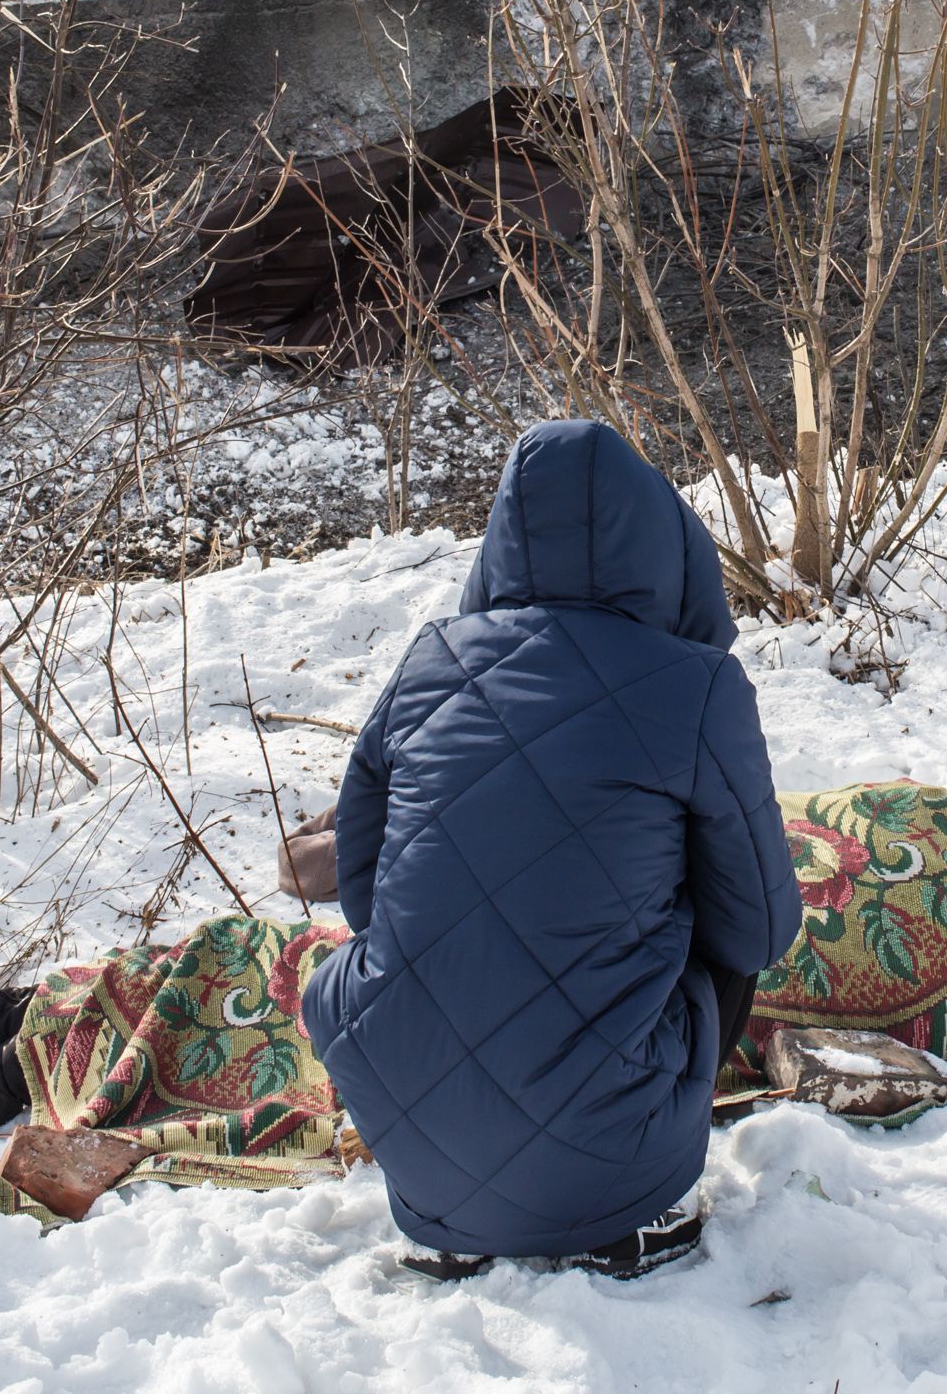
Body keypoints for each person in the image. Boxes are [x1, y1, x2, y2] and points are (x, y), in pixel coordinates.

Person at [302, 418, 800, 1280]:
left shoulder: (427, 667)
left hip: (416, 1154)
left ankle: (467, 1207)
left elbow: (359, 894)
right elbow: (757, 931)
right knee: (713, 939)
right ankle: (643, 1205)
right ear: (665, 542)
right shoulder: (699, 688)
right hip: (615, 1166)